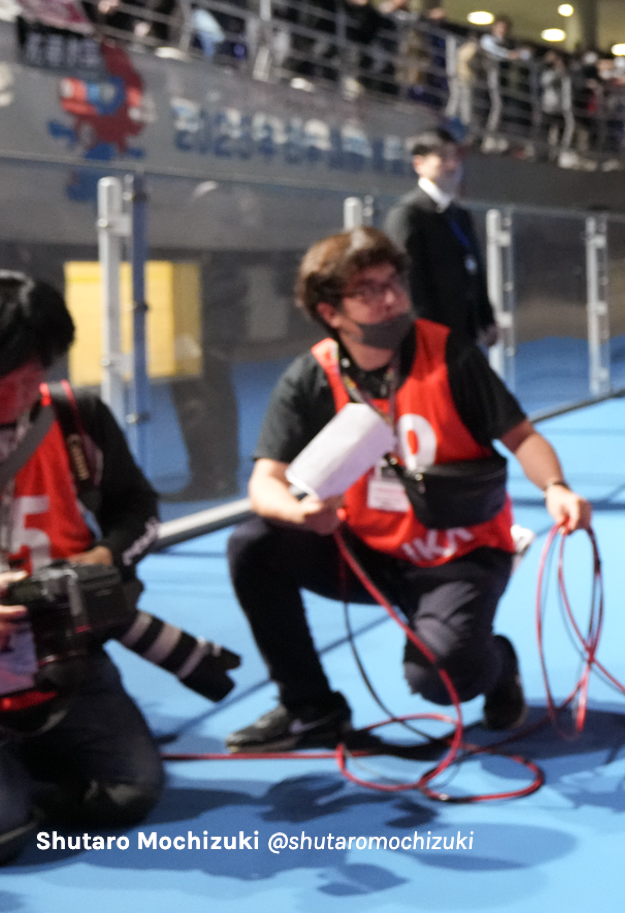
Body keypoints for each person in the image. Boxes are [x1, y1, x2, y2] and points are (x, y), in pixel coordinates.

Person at [224, 228, 591, 752]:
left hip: (459, 551)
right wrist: (299, 513)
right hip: (368, 550)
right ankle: (310, 708)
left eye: (393, 281)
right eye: (368, 290)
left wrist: (556, 487)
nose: (391, 296)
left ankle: (497, 661)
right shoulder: (311, 376)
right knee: (254, 544)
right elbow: (265, 481)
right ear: (331, 313)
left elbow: (522, 436)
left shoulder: (449, 353)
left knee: (440, 680)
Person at [0, 273, 163, 864]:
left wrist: (103, 559)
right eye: (16, 369)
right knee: (5, 834)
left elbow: (138, 512)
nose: (28, 383)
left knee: (131, 792)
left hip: (63, 657)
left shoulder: (75, 417)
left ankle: (26, 769)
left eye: (36, 366)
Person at [384, 129, 498, 349]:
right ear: (419, 164)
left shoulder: (460, 215)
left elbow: (475, 270)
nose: (453, 165)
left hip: (466, 334)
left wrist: (486, 318)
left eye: (456, 157)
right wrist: (426, 338)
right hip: (433, 341)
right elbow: (408, 285)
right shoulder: (408, 215)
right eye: (443, 157)